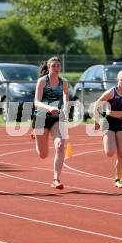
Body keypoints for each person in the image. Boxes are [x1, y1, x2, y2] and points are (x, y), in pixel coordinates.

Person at [93, 70, 122, 188]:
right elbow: (97, 104)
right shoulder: (111, 92)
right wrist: (96, 121)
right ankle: (106, 137)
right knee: (110, 152)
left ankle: (118, 179)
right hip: (109, 122)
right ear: (118, 80)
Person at [33, 56, 69, 190]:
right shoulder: (42, 81)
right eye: (53, 66)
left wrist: (65, 106)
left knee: (60, 145)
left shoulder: (63, 82)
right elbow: (36, 102)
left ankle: (56, 179)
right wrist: (49, 108)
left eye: (58, 66)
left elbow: (65, 94)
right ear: (48, 68)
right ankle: (35, 137)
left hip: (56, 118)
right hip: (41, 118)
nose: (56, 68)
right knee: (43, 155)